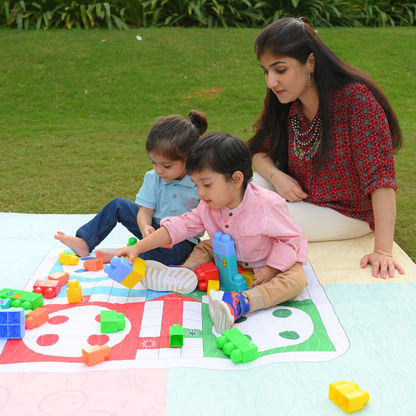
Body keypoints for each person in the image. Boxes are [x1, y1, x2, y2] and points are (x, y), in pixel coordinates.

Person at [97, 133, 308, 333]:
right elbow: (180, 227)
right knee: (205, 246)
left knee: (296, 280)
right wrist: (137, 247)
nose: (200, 192)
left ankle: (242, 302)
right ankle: (184, 274)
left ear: (236, 179)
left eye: (206, 184)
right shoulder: (208, 205)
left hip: (269, 260)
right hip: (230, 254)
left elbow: (291, 238)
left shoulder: (268, 206)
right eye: (196, 184)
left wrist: (271, 269)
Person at [247, 17, 405, 279]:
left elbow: (381, 180)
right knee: (244, 188)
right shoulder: (287, 102)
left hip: (348, 212)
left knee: (255, 223)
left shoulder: (355, 100)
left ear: (310, 62)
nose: (271, 82)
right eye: (266, 71)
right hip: (304, 198)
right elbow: (259, 151)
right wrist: (278, 177)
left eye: (280, 70)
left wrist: (383, 251)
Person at [55, 110, 208, 267]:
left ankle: (122, 253)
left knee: (173, 255)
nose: (159, 170)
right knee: (118, 204)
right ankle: (84, 242)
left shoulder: (199, 182)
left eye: (166, 166)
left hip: (181, 239)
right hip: (153, 229)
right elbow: (145, 211)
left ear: (189, 159)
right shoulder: (153, 177)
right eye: (154, 163)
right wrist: (145, 227)